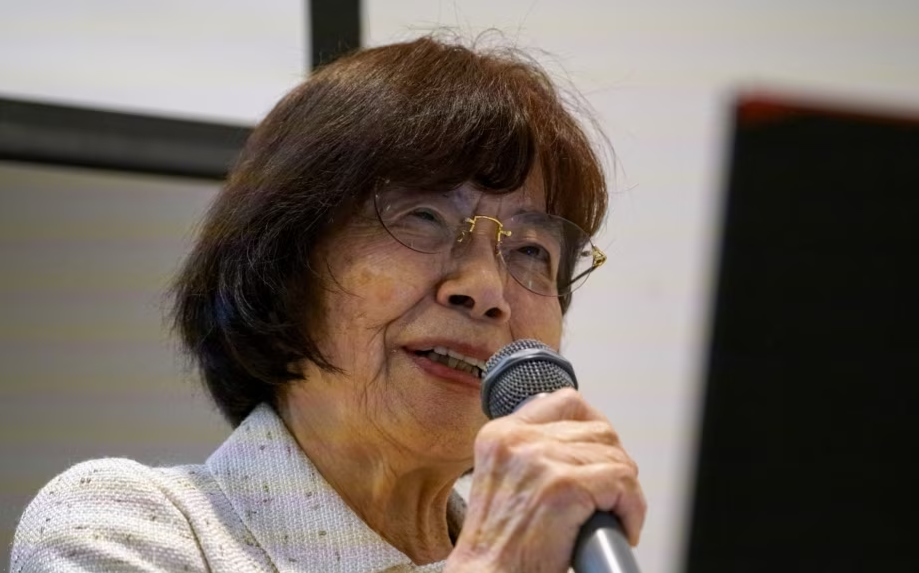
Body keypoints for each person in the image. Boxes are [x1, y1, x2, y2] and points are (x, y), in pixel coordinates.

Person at [10, 35, 645, 573]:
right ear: (286, 265)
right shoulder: (119, 525)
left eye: (532, 251)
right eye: (422, 216)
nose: (485, 288)